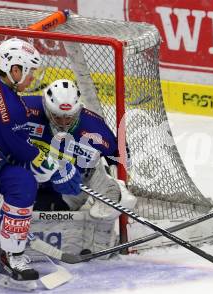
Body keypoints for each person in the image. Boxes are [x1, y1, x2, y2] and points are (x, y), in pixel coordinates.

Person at [0, 38, 81, 290]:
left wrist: (41, 163)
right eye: (29, 71)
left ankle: (12, 254)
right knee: (22, 180)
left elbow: (14, 147)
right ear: (14, 69)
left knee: (21, 183)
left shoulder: (5, 88)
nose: (33, 78)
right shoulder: (6, 102)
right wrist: (50, 166)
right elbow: (15, 145)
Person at [22, 79, 136, 253]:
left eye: (69, 117)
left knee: (38, 213)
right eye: (57, 116)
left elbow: (121, 158)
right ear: (46, 106)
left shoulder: (94, 128)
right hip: (27, 175)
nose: (63, 122)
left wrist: (121, 184)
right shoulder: (26, 109)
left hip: (69, 189)